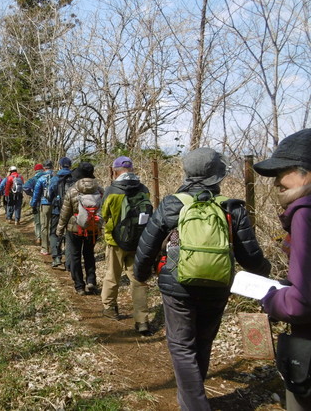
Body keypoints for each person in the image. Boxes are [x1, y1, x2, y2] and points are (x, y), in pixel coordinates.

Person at [133, 147, 271, 411]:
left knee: (181, 346)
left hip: (177, 285)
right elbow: (251, 256)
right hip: (218, 284)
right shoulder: (232, 207)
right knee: (203, 342)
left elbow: (147, 245)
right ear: (218, 175)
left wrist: (141, 274)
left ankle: (194, 404)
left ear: (187, 172)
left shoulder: (172, 204)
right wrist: (267, 273)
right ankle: (192, 398)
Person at [253, 129, 311, 410]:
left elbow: (300, 303)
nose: (277, 181)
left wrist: (271, 298)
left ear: (307, 174)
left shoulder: (304, 213)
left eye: (283, 171)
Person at [100, 156, 151, 335]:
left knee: (112, 275)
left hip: (115, 241)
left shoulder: (112, 190)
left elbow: (104, 214)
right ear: (132, 169)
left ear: (115, 171)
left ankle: (110, 308)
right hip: (138, 241)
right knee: (138, 279)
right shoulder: (143, 189)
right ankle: (142, 320)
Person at [56, 162, 104, 295]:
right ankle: (91, 281)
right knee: (89, 254)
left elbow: (65, 213)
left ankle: (79, 286)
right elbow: (104, 210)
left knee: (75, 256)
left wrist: (59, 229)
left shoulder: (72, 191)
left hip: (74, 228)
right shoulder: (100, 190)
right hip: (93, 228)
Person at [49, 157, 73, 269]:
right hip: (71, 212)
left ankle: (56, 257)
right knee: (69, 236)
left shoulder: (55, 178)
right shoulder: (74, 178)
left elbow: (50, 194)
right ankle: (69, 263)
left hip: (57, 210)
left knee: (54, 233)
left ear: (60, 166)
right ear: (70, 166)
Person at [31, 160, 55, 257]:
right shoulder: (56, 178)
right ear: (52, 167)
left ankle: (45, 248)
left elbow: (36, 194)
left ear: (44, 168)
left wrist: (33, 205)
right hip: (56, 205)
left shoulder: (41, 179)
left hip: (44, 204)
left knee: (44, 226)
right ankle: (55, 248)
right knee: (54, 226)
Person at [24, 163, 46, 244]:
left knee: (37, 221)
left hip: (36, 202)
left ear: (35, 170)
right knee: (45, 221)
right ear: (42, 169)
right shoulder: (47, 178)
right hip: (46, 202)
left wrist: (32, 194)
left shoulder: (33, 179)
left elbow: (25, 187)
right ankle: (45, 238)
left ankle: (38, 238)